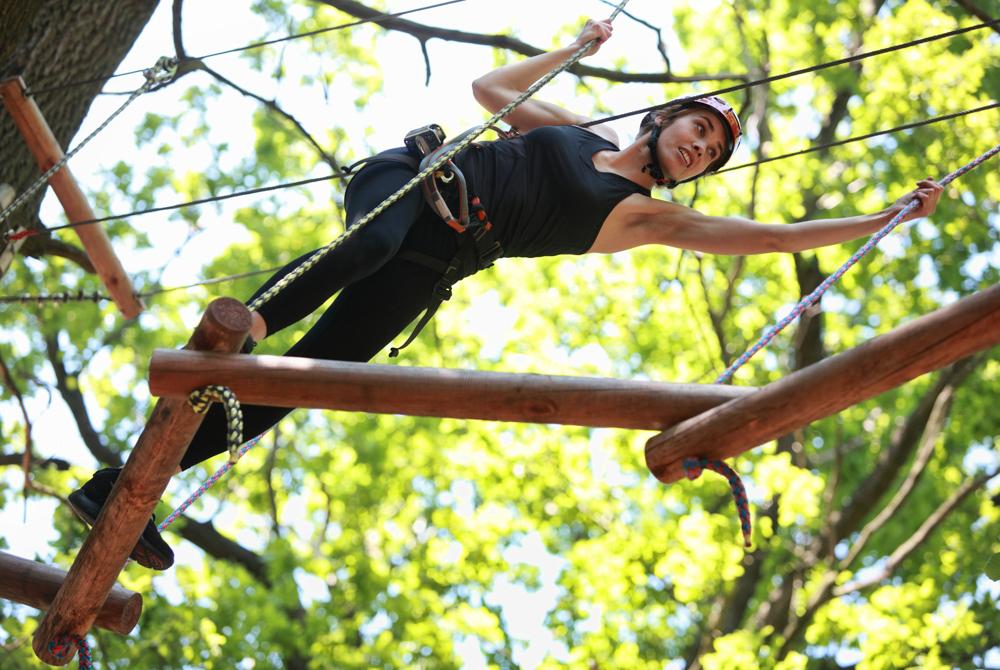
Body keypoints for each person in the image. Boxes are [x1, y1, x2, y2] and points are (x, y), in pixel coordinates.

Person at [68, 18, 943, 569]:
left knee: (294, 390)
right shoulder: (575, 133)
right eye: (697, 129)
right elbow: (489, 91)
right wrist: (574, 48)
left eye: (712, 152)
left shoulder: (646, 219)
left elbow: (777, 238)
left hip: (438, 264)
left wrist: (880, 219)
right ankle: (254, 318)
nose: (699, 149)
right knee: (367, 244)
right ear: (665, 120)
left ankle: (118, 489)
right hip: (416, 183)